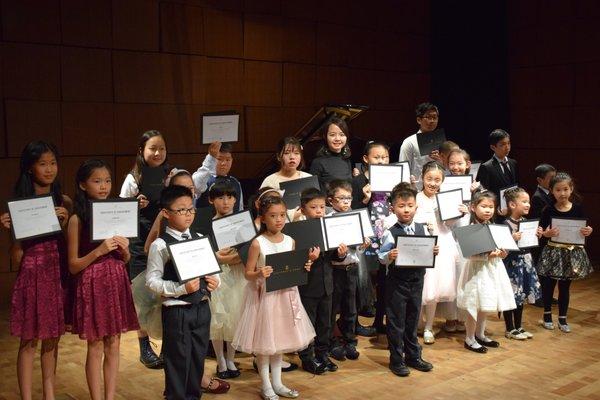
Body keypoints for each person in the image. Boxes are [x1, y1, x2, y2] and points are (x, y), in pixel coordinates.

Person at [1, 141, 72, 400]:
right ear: (30, 168)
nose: (50, 169)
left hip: (57, 271)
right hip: (32, 272)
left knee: (53, 337)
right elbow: (16, 256)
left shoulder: (63, 201)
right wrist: (12, 232)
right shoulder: (19, 205)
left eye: (53, 162)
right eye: (43, 163)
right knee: (29, 339)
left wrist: (65, 222)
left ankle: (49, 395)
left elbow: (68, 243)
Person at [67, 159, 139, 400]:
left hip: (116, 280)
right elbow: (73, 265)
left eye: (107, 180)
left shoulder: (115, 214)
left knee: (114, 342)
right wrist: (98, 251)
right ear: (83, 185)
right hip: (93, 283)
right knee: (96, 344)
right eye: (96, 181)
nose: (103, 186)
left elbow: (125, 259)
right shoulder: (78, 219)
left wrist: (126, 250)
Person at [232, 196, 316, 400]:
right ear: (263, 218)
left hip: (286, 296)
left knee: (279, 340)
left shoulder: (290, 241)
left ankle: (278, 383)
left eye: (281, 215)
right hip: (265, 299)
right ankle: (266, 384)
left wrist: (305, 266)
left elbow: (293, 267)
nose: (278, 220)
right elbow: (247, 273)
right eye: (273, 216)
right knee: (265, 343)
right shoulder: (257, 243)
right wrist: (259, 273)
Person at [146, 185, 220, 400]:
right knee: (178, 361)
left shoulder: (199, 237)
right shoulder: (160, 245)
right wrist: (180, 289)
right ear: (167, 213)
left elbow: (215, 271)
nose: (188, 215)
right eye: (181, 210)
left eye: (191, 209)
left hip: (202, 307)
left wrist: (216, 282)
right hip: (177, 311)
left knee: (197, 359)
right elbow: (152, 281)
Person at [119, 130, 171, 368]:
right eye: (152, 148)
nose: (158, 153)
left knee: (166, 292)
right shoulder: (133, 178)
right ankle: (144, 347)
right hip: (140, 242)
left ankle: (168, 346)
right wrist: (133, 205)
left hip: (166, 240)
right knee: (142, 294)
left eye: (161, 148)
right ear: (141, 151)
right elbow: (118, 215)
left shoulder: (170, 174)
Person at [378, 183, 438, 377]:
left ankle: (414, 356)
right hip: (397, 283)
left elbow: (428, 250)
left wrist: (433, 251)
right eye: (401, 205)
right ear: (393, 208)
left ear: (416, 207)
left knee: (413, 320)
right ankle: (396, 359)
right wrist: (390, 255)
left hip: (417, 280)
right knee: (396, 322)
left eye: (410, 205)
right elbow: (381, 255)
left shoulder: (423, 228)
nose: (406, 209)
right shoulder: (390, 231)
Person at [456, 191, 516, 353]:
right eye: (484, 206)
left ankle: (480, 334)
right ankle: (469, 338)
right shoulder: (470, 228)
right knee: (474, 303)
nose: (488, 210)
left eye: (491, 207)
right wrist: (488, 255)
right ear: (473, 207)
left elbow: (502, 248)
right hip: (476, 271)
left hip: (493, 269)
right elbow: (469, 254)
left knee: (485, 302)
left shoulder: (495, 228)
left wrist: (503, 253)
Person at [537, 172, 593, 332]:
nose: (562, 193)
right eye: (558, 190)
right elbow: (540, 231)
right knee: (548, 286)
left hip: (570, 253)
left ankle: (562, 318)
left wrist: (588, 230)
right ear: (552, 191)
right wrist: (546, 234)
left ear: (571, 189)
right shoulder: (548, 210)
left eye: (565, 189)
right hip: (552, 252)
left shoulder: (578, 209)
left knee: (565, 287)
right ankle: (547, 315)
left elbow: (584, 228)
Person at [414, 161, 462, 344]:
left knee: (434, 288)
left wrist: (459, 214)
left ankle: (429, 327)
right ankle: (418, 323)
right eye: (429, 179)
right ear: (422, 178)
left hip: (441, 244)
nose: (433, 183)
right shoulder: (416, 197)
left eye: (437, 180)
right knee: (420, 286)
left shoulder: (445, 199)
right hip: (420, 243)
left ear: (442, 181)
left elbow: (448, 225)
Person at [297, 188, 344, 375]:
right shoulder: (298, 231)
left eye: (322, 207)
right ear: (302, 209)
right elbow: (295, 260)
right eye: (313, 207)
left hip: (327, 284)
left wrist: (340, 254)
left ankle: (322, 354)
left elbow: (333, 256)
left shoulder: (327, 227)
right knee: (308, 322)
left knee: (325, 322)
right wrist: (309, 258)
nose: (319, 211)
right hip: (308, 286)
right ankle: (307, 357)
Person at [326, 180, 371, 361]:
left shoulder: (356, 217)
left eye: (348, 198)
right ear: (331, 200)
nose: (346, 202)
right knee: (332, 308)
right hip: (335, 270)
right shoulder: (328, 219)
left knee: (350, 308)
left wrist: (363, 244)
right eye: (341, 198)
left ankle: (349, 340)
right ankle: (332, 342)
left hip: (351, 268)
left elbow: (358, 249)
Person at [351, 141, 391, 337]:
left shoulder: (393, 180)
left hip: (387, 235)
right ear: (366, 159)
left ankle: (379, 320)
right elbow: (351, 209)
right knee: (362, 278)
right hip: (366, 237)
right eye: (377, 157)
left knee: (384, 278)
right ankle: (354, 322)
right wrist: (364, 198)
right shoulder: (358, 182)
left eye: (385, 157)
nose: (382, 161)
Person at [208, 181, 246, 380]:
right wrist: (218, 257)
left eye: (230, 197)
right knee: (218, 319)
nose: (226, 202)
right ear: (211, 200)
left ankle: (230, 358)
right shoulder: (208, 223)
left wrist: (229, 258)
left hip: (238, 274)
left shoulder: (242, 222)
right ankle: (220, 359)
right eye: (221, 197)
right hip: (217, 276)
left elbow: (247, 250)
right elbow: (206, 253)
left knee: (235, 317)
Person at [501, 187, 542, 340]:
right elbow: (502, 248)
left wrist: (537, 235)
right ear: (512, 205)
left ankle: (519, 326)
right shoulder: (505, 225)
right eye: (524, 202)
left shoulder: (527, 222)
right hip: (512, 264)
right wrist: (512, 238)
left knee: (521, 295)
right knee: (510, 295)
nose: (528, 205)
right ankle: (509, 328)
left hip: (526, 263)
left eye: (528, 202)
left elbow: (530, 244)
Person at [261, 137, 312, 222]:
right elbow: (263, 210)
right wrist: (292, 215)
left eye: (296, 153)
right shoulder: (270, 181)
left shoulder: (308, 178)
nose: (292, 157)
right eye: (286, 153)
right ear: (278, 157)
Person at [398, 102, 443, 187]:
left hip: (437, 189)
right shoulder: (409, 142)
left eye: (434, 117)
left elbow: (447, 168)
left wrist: (440, 161)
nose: (432, 121)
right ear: (419, 120)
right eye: (428, 117)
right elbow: (403, 169)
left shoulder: (441, 142)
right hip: (417, 189)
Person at [194, 143, 244, 212]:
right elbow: (196, 186)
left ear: (232, 160)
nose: (223, 163)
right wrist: (211, 158)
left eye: (227, 160)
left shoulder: (235, 182)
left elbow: (240, 209)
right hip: (207, 222)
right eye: (219, 159)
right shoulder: (205, 180)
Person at [309, 116, 353, 191]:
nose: (337, 139)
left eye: (342, 135)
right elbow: (314, 192)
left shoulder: (346, 159)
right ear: (325, 137)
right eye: (332, 135)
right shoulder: (318, 162)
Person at [476, 129, 518, 201]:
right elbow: (484, 193)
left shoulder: (513, 163)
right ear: (493, 147)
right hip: (496, 207)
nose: (507, 147)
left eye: (508, 143)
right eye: (502, 144)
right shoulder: (486, 167)